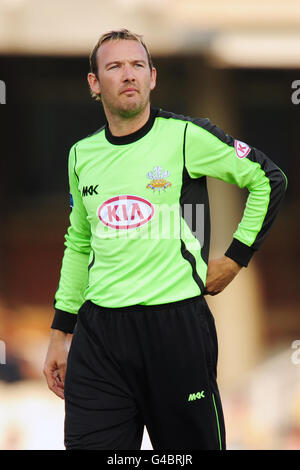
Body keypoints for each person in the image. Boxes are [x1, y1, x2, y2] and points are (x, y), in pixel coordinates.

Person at [43, 29, 287, 450]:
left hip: (175, 328)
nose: (128, 75)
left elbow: (268, 178)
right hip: (100, 335)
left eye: (138, 65)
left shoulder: (186, 136)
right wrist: (61, 331)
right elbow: (79, 242)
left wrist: (235, 258)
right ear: (94, 83)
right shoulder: (81, 154)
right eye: (115, 67)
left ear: (152, 77)